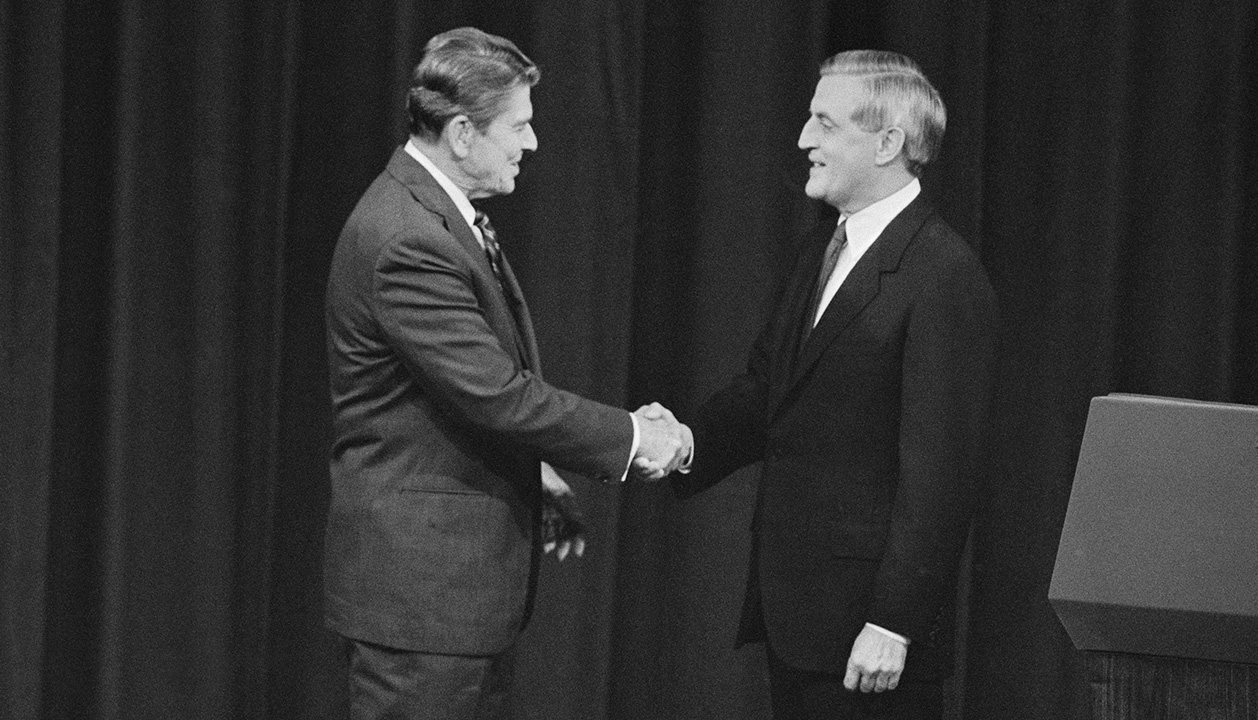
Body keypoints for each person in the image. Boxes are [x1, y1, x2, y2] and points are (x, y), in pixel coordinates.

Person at [324, 27, 690, 719]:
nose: (532, 144)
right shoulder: (408, 236)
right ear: (462, 132)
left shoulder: (433, 215)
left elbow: (449, 393)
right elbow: (496, 393)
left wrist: (532, 470)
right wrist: (636, 439)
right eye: (519, 126)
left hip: (445, 605)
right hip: (423, 607)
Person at [665, 50, 997, 719]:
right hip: (800, 625)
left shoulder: (942, 274)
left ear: (888, 143)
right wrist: (678, 443)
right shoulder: (821, 249)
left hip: (869, 642)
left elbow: (941, 476)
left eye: (824, 122)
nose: (803, 140)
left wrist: (894, 623)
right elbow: (767, 390)